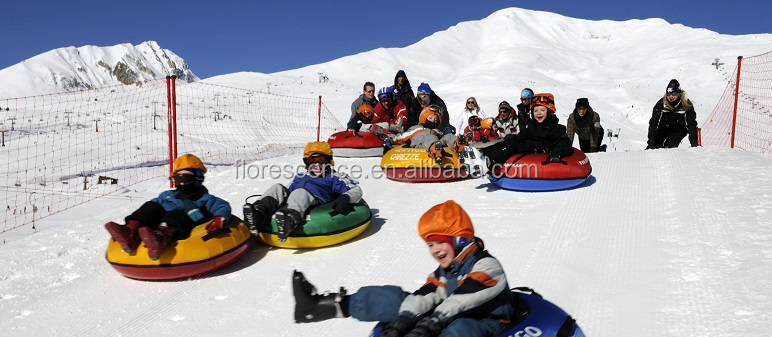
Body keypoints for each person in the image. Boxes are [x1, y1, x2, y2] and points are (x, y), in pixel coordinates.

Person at [292, 200, 515, 337]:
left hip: (487, 321)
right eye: (430, 245)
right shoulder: (442, 273)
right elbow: (426, 295)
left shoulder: (486, 265)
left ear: (460, 240)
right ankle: (325, 306)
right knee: (396, 299)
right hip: (448, 315)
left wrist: (434, 321)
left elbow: (463, 298)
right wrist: (405, 319)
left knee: (460, 329)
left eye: (439, 242)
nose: (435, 250)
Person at [104, 154, 231, 260]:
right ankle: (130, 231)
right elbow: (151, 209)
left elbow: (222, 206)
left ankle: (159, 239)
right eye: (177, 179)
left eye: (185, 178)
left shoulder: (204, 198)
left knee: (174, 215)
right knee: (151, 206)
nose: (181, 183)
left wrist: (220, 218)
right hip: (161, 220)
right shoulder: (168, 195)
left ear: (197, 178)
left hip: (184, 222)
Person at [242, 141, 362, 241]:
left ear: (328, 161)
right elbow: (288, 191)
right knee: (277, 187)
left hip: (315, 201)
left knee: (300, 192)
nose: (317, 164)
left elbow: (356, 189)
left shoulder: (334, 176)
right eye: (312, 161)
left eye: (320, 159)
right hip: (296, 198)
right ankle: (257, 213)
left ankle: (290, 219)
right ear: (306, 162)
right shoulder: (300, 176)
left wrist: (346, 197)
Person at [480, 93, 573, 166]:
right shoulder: (533, 126)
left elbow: (564, 142)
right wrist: (512, 136)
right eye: (535, 111)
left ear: (549, 112)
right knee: (508, 142)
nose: (538, 113)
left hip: (539, 153)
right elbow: (522, 136)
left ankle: (487, 160)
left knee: (511, 145)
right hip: (529, 148)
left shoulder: (556, 128)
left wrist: (556, 154)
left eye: (542, 110)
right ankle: (481, 154)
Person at [381, 105, 467, 163]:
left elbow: (445, 138)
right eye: (431, 118)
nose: (433, 120)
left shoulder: (437, 131)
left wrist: (449, 135)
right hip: (420, 146)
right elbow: (401, 137)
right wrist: (390, 140)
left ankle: (459, 146)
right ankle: (435, 150)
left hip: (437, 143)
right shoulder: (416, 128)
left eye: (436, 119)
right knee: (431, 137)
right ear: (424, 118)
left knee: (449, 136)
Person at [646, 79, 699, 149]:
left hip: (679, 130)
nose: (671, 96)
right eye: (668, 94)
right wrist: (651, 141)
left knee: (668, 146)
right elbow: (653, 122)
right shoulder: (662, 103)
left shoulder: (686, 104)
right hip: (664, 128)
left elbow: (691, 123)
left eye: (674, 94)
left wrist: (693, 142)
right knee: (654, 146)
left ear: (679, 93)